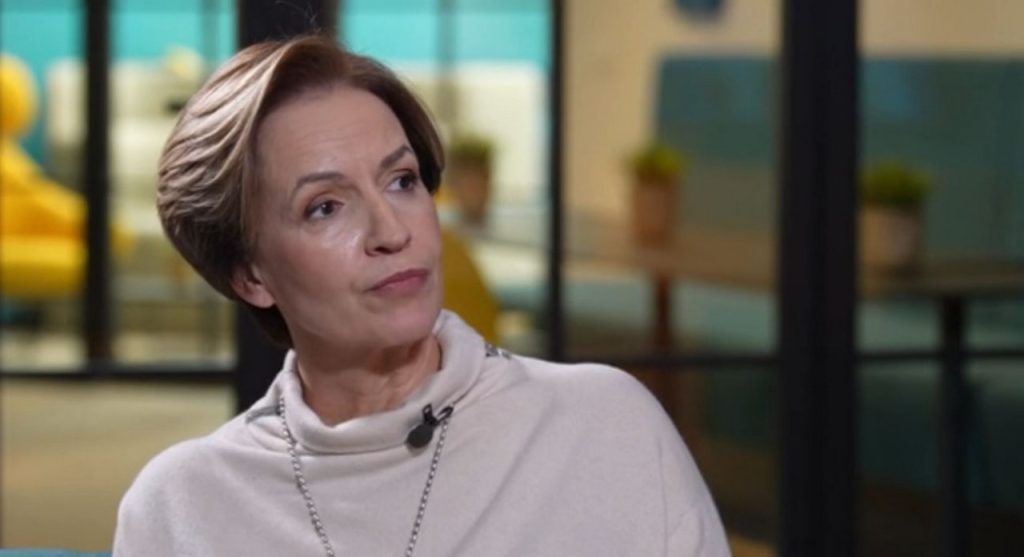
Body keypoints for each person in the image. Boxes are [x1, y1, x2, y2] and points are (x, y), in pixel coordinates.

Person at [113, 35, 730, 557]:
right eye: (325, 207)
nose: (391, 231)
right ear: (250, 276)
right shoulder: (182, 507)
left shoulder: (606, 426)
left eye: (402, 180)